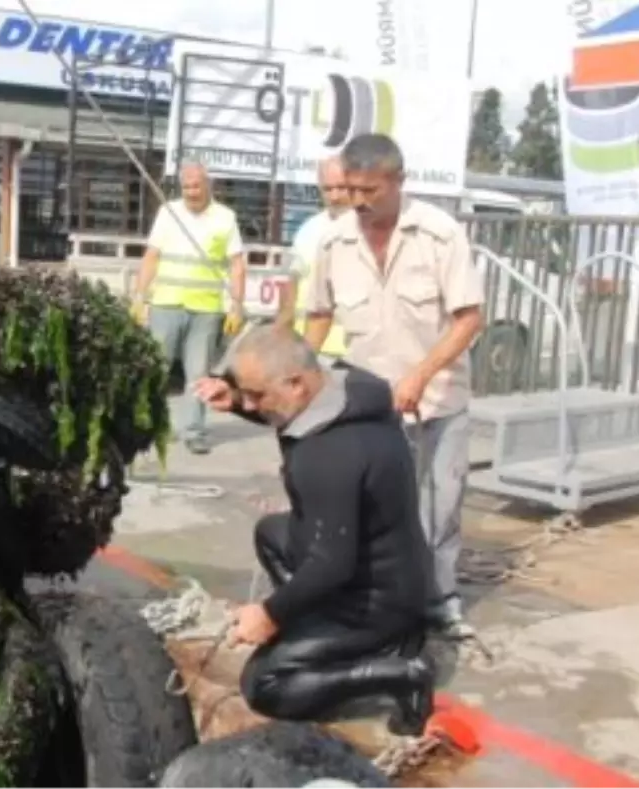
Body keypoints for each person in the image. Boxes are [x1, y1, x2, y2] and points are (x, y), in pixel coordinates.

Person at [194, 325, 434, 733]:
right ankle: (318, 627)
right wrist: (235, 400)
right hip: (390, 564)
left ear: (296, 384)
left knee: (265, 684)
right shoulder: (347, 387)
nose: (251, 404)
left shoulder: (329, 454)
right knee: (270, 533)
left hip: (375, 596)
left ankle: (400, 671)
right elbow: (278, 404)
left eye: (256, 395)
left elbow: (332, 564)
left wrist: (270, 614)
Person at [302, 133, 485, 636]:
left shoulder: (439, 234)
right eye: (350, 190)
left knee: (438, 506)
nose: (358, 202)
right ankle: (376, 600)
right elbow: (318, 313)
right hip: (369, 405)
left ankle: (439, 599)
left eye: (369, 191)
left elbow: (469, 319)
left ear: (398, 182)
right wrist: (300, 371)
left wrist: (420, 375)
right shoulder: (334, 241)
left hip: (439, 400)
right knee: (373, 508)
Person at [132, 160, 246, 455]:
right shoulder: (168, 213)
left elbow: (237, 265)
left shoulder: (225, 218)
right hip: (166, 304)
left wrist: (236, 306)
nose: (191, 192)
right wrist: (139, 297)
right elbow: (151, 256)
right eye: (186, 187)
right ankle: (148, 427)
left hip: (206, 310)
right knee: (156, 368)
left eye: (196, 186)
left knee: (199, 373)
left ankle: (194, 431)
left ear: (208, 185)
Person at [277, 156, 350, 363]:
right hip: (309, 349)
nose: (335, 196)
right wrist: (281, 334)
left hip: (353, 353)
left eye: (341, 188)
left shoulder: (371, 232)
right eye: (328, 189)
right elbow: (292, 283)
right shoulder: (309, 229)